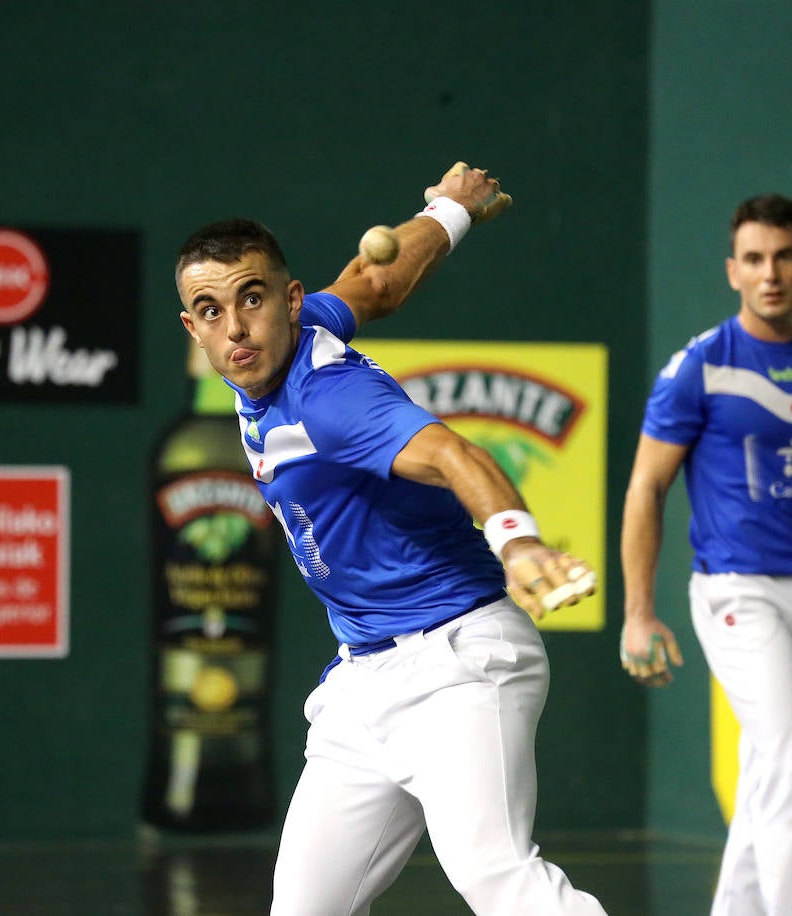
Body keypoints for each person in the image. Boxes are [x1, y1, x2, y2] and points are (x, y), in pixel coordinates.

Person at [174, 162, 606, 915]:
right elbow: (377, 283)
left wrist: (520, 542)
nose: (236, 328)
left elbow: (451, 455)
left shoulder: (329, 398)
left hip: (459, 662)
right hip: (364, 684)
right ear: (193, 327)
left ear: (288, 297)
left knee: (496, 874)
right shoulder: (302, 336)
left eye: (251, 299)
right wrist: (450, 209)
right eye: (211, 310)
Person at [618, 193, 792, 915]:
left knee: (776, 774)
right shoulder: (701, 366)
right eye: (754, 259)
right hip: (737, 592)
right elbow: (646, 488)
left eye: (783, 257)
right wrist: (638, 612)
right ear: (732, 271)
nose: (769, 273)